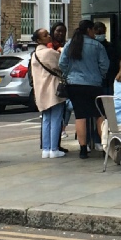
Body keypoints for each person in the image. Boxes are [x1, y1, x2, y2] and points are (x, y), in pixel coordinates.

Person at [59, 19, 109, 159]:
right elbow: (104, 64)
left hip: (74, 85)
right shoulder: (97, 46)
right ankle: (105, 146)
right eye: (93, 30)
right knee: (99, 115)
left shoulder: (71, 44)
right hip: (94, 84)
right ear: (89, 30)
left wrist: (69, 74)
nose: (94, 33)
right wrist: (100, 75)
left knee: (80, 116)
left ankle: (82, 149)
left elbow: (62, 63)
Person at [30, 28, 67, 159]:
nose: (49, 36)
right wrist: (61, 51)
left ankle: (45, 149)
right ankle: (54, 149)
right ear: (39, 40)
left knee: (46, 119)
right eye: (45, 35)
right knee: (56, 119)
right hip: (53, 90)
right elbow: (63, 64)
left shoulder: (34, 55)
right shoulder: (49, 53)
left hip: (40, 92)